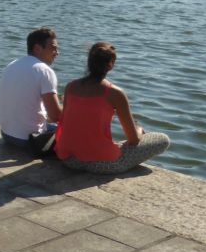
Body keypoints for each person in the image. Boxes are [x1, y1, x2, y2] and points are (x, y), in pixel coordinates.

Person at [55, 42, 171, 173]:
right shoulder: (114, 93)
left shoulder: (70, 87)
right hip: (101, 163)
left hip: (69, 159)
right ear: (111, 65)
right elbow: (133, 139)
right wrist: (139, 130)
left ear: (89, 61)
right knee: (162, 139)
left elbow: (67, 122)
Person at [0, 27, 62, 151]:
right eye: (53, 48)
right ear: (37, 48)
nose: (57, 52)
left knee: (52, 124)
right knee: (76, 128)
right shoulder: (45, 71)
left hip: (7, 135)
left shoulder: (12, 64)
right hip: (30, 140)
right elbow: (55, 116)